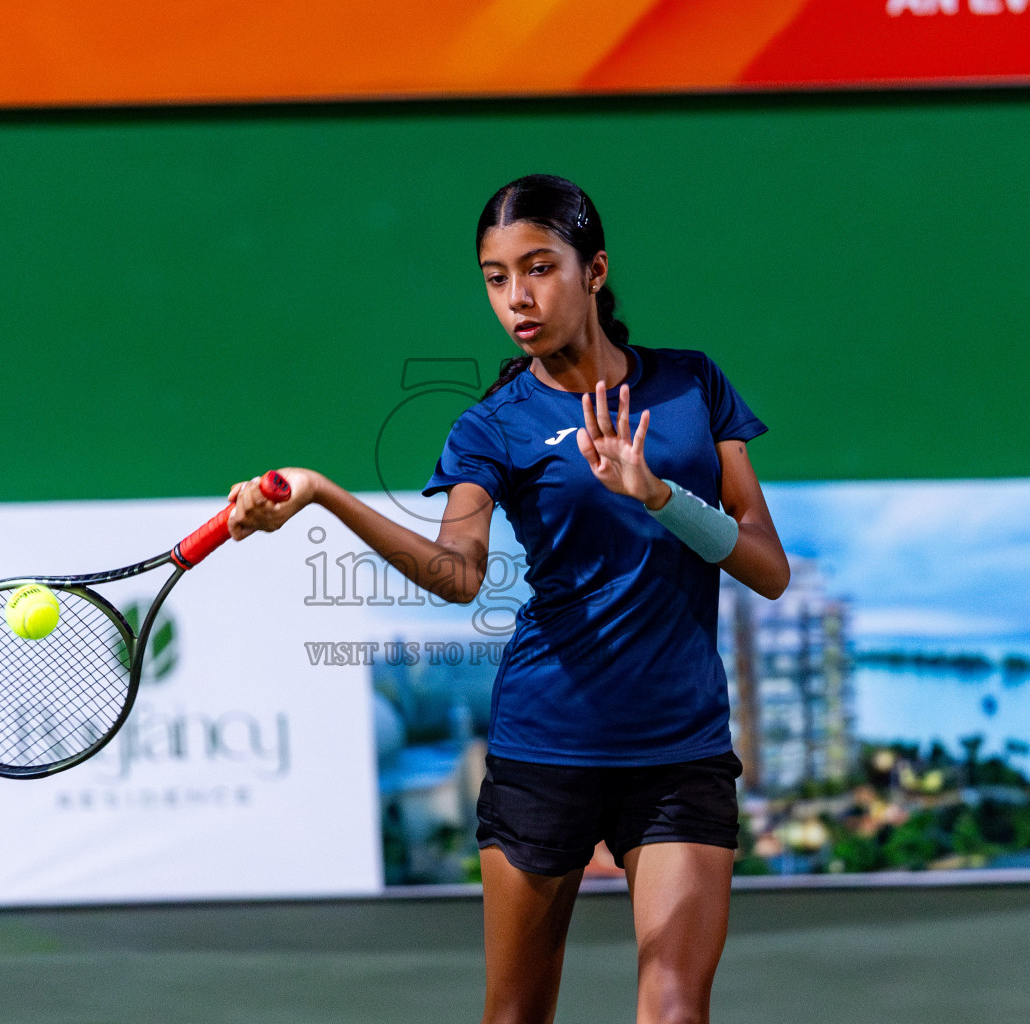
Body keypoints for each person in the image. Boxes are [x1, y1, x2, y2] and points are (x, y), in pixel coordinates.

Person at [226, 174, 789, 1024]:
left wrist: (662, 498)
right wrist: (324, 494)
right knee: (516, 1013)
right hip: (546, 746)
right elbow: (458, 573)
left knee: (675, 1008)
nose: (517, 297)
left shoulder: (691, 387)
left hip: (680, 751)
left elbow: (768, 568)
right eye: (496, 277)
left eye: (539, 267)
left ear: (594, 270)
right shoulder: (493, 425)